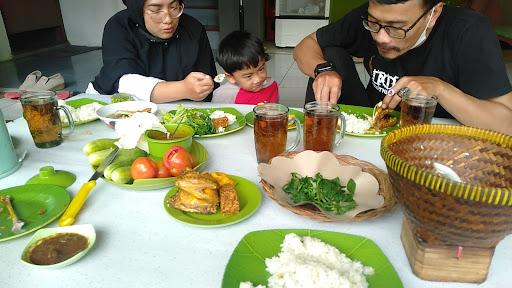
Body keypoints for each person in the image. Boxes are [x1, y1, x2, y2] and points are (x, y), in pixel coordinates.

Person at [293, 0, 512, 135]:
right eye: (374, 23)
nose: (381, 37)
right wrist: (322, 70)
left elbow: (506, 124)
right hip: (373, 118)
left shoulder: (469, 32)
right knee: (331, 55)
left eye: (397, 28)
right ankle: (316, 148)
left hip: (433, 137)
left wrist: (439, 89)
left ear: (433, 13)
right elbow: (306, 45)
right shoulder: (375, 16)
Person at [86, 0, 217, 103]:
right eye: (155, 10)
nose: (168, 19)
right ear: (138, 8)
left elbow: (207, 79)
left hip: (177, 111)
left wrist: (202, 89)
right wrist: (184, 89)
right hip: (115, 106)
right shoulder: (119, 27)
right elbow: (125, 83)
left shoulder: (193, 29)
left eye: (174, 7)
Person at [213, 31, 279, 104]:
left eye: (261, 69)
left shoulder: (271, 86)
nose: (258, 79)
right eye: (248, 76)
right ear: (231, 77)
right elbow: (217, 114)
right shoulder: (224, 94)